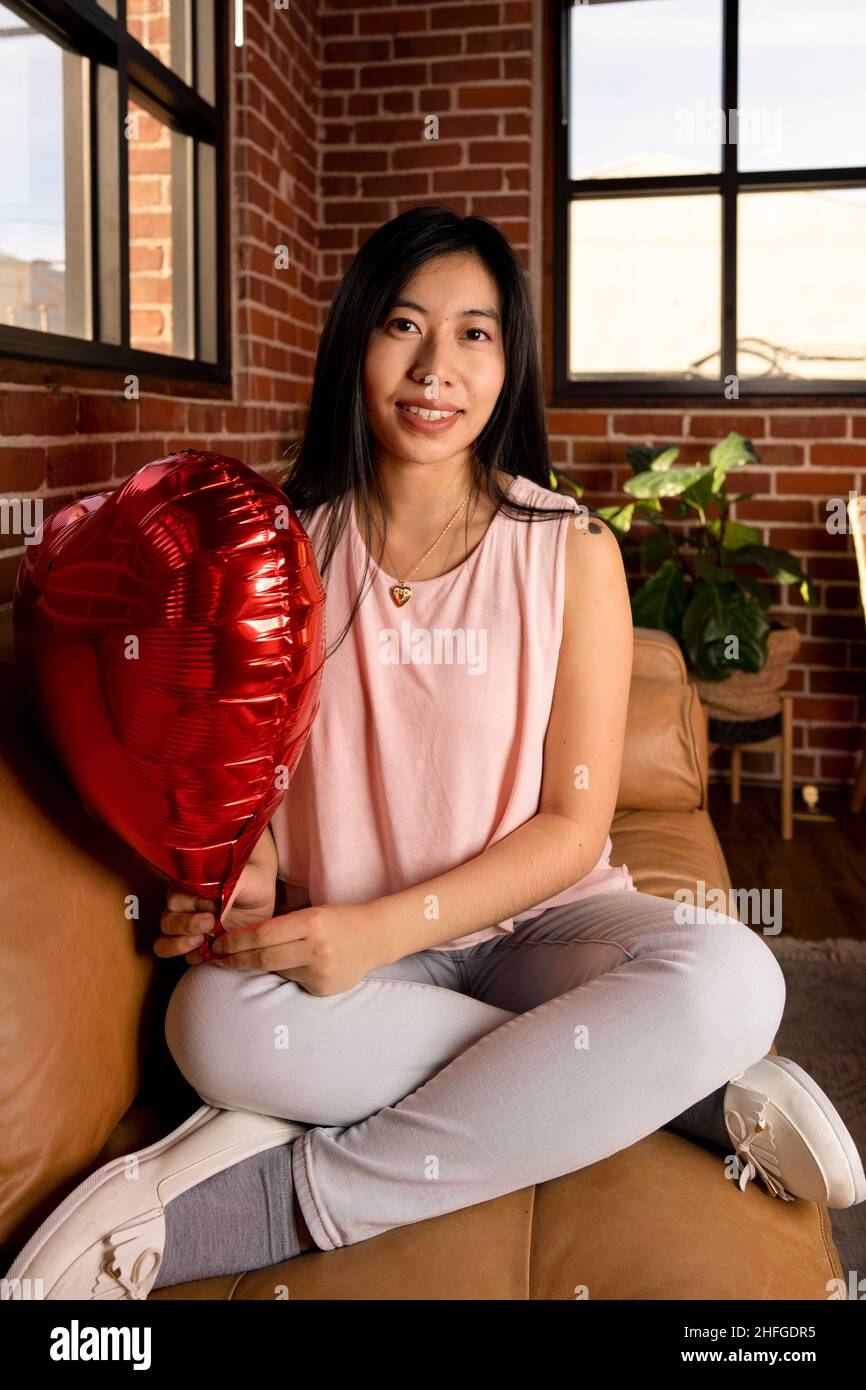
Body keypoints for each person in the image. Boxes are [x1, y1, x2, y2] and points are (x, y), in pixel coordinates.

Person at [6, 207, 864, 1301]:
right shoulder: (275, 542)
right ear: (354, 340)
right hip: (356, 956)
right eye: (402, 326)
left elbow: (571, 826)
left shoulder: (571, 550)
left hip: (542, 930)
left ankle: (289, 1196)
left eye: (475, 334)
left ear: (510, 364)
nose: (434, 368)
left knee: (730, 975)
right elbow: (245, 768)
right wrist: (249, 866)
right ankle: (666, 1086)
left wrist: (374, 930)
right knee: (211, 1026)